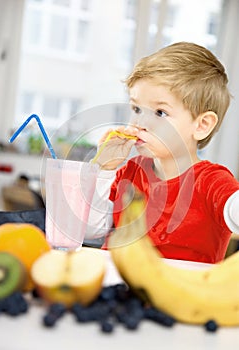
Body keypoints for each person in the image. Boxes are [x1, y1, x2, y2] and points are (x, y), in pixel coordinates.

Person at [85, 41, 239, 264]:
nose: (140, 122)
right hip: (116, 289)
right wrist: (105, 170)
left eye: (160, 112)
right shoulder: (131, 171)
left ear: (201, 125)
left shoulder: (211, 181)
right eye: (136, 109)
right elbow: (92, 231)